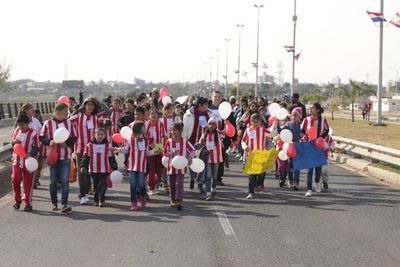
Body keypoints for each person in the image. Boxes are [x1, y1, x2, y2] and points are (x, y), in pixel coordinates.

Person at [40, 104, 76, 212]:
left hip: (65, 156)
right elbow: (41, 137)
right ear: (58, 111)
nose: (67, 113)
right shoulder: (48, 123)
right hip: (53, 156)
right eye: (65, 111)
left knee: (65, 181)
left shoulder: (69, 123)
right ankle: (54, 203)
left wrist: (68, 143)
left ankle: (64, 204)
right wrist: (49, 142)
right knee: (53, 181)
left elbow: (74, 137)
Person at [69, 96, 104, 202]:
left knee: (91, 171)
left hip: (93, 148)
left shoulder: (96, 118)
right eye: (88, 105)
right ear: (84, 106)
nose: (90, 107)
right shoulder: (78, 116)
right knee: (81, 171)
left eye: (92, 105)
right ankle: (82, 194)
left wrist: (99, 101)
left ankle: (88, 190)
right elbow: (67, 123)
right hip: (80, 147)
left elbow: (105, 114)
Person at [80, 127, 117, 207]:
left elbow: (111, 157)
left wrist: (114, 167)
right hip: (93, 169)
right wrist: (83, 166)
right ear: (94, 135)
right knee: (95, 186)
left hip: (104, 169)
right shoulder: (89, 145)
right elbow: (85, 157)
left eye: (102, 134)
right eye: (98, 134)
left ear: (105, 136)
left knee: (103, 185)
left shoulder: (108, 145)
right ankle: (96, 199)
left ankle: (101, 199)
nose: (100, 136)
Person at [182, 97, 212, 193]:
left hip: (204, 142)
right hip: (192, 142)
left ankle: (200, 183)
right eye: (205, 104)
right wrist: (185, 141)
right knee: (191, 161)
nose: (207, 106)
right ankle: (191, 177)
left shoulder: (209, 113)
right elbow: (185, 129)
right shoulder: (188, 114)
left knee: (202, 163)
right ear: (200, 105)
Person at [11, 114, 39, 211]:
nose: (20, 127)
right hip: (17, 160)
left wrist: (30, 154)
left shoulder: (34, 133)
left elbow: (36, 147)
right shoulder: (17, 131)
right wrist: (14, 142)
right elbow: (13, 144)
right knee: (15, 179)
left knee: (28, 182)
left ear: (28, 124)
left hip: (29, 161)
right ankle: (17, 199)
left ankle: (28, 203)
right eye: (19, 125)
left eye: (22, 125)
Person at [117, 122, 148, 211]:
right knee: (133, 185)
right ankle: (133, 203)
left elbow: (147, 153)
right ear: (138, 129)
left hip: (142, 166)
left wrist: (155, 152)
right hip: (131, 166)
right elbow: (125, 150)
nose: (145, 129)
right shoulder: (130, 139)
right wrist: (116, 149)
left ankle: (143, 196)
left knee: (142, 185)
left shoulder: (146, 140)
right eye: (143, 127)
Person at [164, 122, 195, 210]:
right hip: (171, 167)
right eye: (172, 130)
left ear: (180, 131)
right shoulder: (169, 142)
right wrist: (172, 154)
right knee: (172, 184)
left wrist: (190, 156)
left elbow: (193, 150)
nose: (173, 132)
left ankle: (178, 200)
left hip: (181, 167)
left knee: (179, 183)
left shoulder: (184, 141)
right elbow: (165, 153)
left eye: (175, 130)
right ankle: (172, 199)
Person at [301, 103, 330, 197]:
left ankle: (317, 182)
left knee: (318, 169)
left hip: (319, 147)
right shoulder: (306, 120)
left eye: (312, 108)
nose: (310, 109)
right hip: (309, 146)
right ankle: (309, 189)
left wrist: (320, 138)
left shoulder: (323, 120)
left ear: (317, 110)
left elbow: (326, 130)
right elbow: (302, 131)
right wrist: (304, 137)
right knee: (309, 170)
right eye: (309, 108)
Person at [241, 114, 270, 199]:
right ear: (251, 122)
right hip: (251, 156)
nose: (255, 123)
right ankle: (251, 192)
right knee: (251, 175)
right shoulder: (248, 130)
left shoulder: (263, 130)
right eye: (254, 122)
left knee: (261, 174)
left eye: (257, 122)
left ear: (260, 122)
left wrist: (275, 125)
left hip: (261, 156)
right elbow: (243, 141)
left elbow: (271, 134)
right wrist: (245, 147)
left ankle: (258, 184)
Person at [199, 118, 224, 201]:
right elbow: (200, 144)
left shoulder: (219, 134)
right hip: (208, 159)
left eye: (213, 124)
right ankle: (208, 193)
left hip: (216, 158)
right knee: (208, 175)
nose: (211, 126)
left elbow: (226, 133)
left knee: (215, 175)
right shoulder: (204, 135)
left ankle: (214, 187)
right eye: (210, 124)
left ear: (216, 125)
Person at [146, 108, 165, 194]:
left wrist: (161, 149)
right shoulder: (146, 125)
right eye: (151, 113)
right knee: (151, 168)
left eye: (155, 114)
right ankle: (151, 187)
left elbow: (163, 137)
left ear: (158, 116)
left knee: (159, 168)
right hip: (149, 149)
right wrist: (152, 147)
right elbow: (145, 138)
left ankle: (157, 182)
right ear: (149, 116)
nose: (153, 115)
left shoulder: (160, 124)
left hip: (159, 148)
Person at [283, 107, 303, 191]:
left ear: (299, 116)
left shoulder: (302, 125)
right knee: (290, 165)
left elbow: (305, 135)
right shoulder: (288, 124)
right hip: (289, 147)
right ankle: (290, 180)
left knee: (297, 166)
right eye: (293, 115)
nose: (293, 117)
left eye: (296, 115)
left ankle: (296, 183)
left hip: (298, 147)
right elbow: (282, 132)